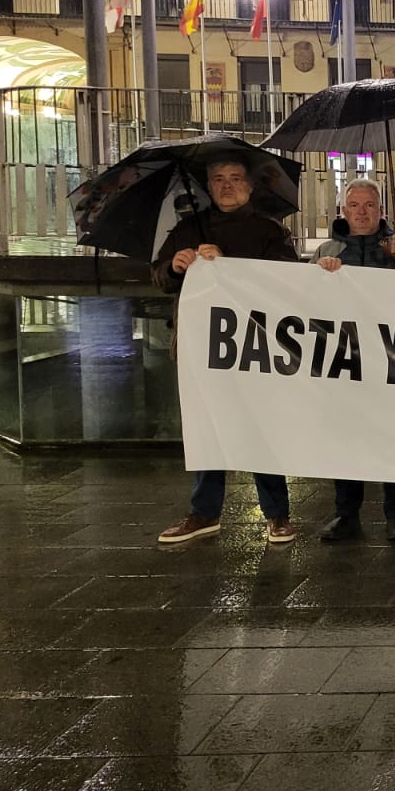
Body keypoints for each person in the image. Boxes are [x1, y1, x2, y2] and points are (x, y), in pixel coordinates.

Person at [155, 156, 301, 545]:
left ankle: (277, 513)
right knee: (207, 428)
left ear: (250, 187)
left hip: (253, 348)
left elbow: (285, 281)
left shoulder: (269, 231)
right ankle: (204, 512)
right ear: (208, 186)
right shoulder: (186, 229)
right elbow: (158, 277)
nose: (227, 185)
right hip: (198, 349)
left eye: (236, 178)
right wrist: (175, 265)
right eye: (218, 179)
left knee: (259, 428)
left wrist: (228, 264)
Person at [313, 178, 395, 542]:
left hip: (392, 359)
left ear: (380, 210)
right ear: (343, 211)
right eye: (354, 205)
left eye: (369, 205)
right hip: (345, 361)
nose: (361, 212)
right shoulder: (326, 250)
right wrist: (321, 275)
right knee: (346, 439)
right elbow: (306, 302)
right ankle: (346, 513)